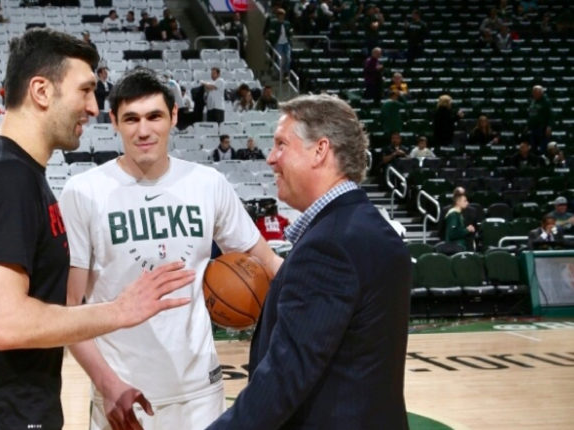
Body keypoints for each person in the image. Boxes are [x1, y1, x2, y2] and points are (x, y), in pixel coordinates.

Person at [0, 29, 195, 430]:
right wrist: (119, 311)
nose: (94, 106)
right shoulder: (5, 176)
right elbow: (5, 324)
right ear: (41, 91)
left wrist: (105, 378)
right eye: (85, 90)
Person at [60, 68, 282, 430]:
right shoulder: (83, 191)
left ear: (174, 116)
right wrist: (107, 384)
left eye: (154, 116)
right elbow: (71, 308)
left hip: (201, 392)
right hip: (123, 393)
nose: (143, 130)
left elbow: (266, 259)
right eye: (131, 119)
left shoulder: (208, 184)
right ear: (113, 120)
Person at [207, 94, 410, 429]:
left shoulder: (329, 246)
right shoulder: (372, 226)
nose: (271, 159)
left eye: (281, 145)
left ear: (320, 151)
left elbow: (285, 378)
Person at [265, 8, 292, 80]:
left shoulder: (287, 23)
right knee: (279, 59)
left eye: (282, 15)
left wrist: (290, 34)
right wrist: (274, 41)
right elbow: (271, 33)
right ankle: (278, 73)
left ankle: (286, 73)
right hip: (278, 43)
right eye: (280, 14)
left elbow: (290, 31)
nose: (281, 16)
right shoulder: (273, 23)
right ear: (277, 15)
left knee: (288, 58)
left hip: (286, 43)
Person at [527, 85, 553, 153]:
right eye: (533, 92)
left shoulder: (546, 101)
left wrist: (549, 126)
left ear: (541, 93)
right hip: (533, 128)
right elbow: (531, 114)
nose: (533, 94)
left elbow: (550, 115)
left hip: (542, 128)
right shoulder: (533, 101)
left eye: (535, 92)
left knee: (543, 148)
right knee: (533, 147)